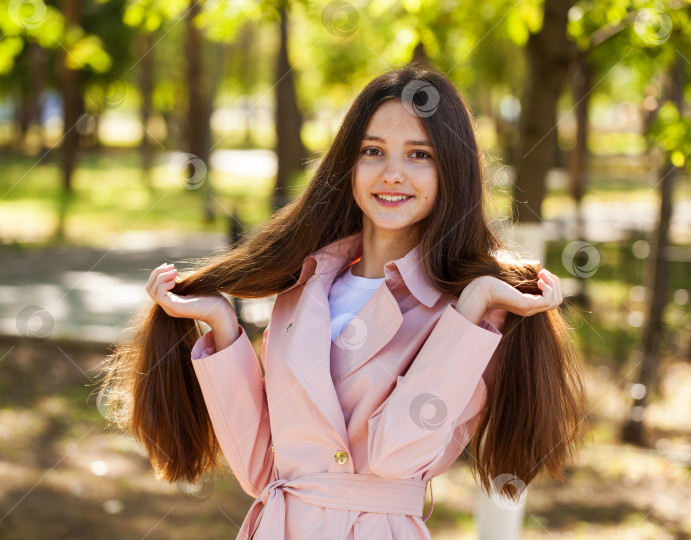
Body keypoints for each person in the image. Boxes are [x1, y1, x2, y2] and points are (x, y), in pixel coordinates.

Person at [97, 63, 588, 539]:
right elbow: (263, 469)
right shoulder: (306, 290)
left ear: (451, 171)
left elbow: (396, 455)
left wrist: (475, 300)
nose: (392, 173)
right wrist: (223, 329)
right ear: (349, 165)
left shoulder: (467, 319)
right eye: (373, 151)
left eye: (420, 155)